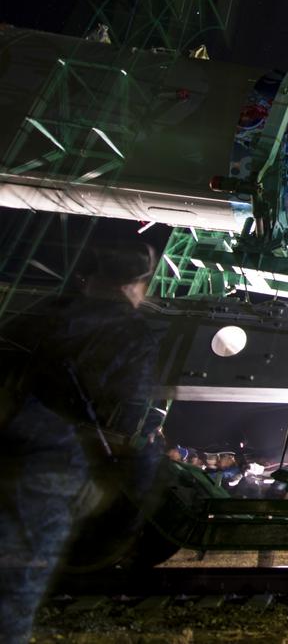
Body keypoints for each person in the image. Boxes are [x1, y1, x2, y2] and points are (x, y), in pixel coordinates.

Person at [0, 239, 161, 642]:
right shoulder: (133, 332)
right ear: (136, 285)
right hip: (57, 458)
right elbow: (128, 409)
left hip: (9, 444)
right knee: (17, 582)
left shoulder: (43, 313)